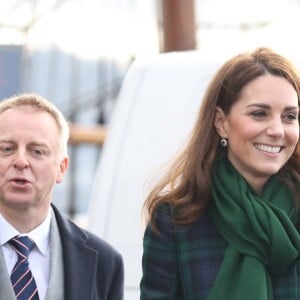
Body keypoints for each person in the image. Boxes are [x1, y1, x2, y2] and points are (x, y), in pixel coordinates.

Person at [140, 47, 300, 300]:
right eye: (259, 114)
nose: (278, 130)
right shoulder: (176, 221)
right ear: (221, 122)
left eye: (289, 116)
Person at [0, 93, 124, 300]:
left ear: (61, 168)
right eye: (7, 149)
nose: (21, 161)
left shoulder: (105, 263)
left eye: (37, 151)